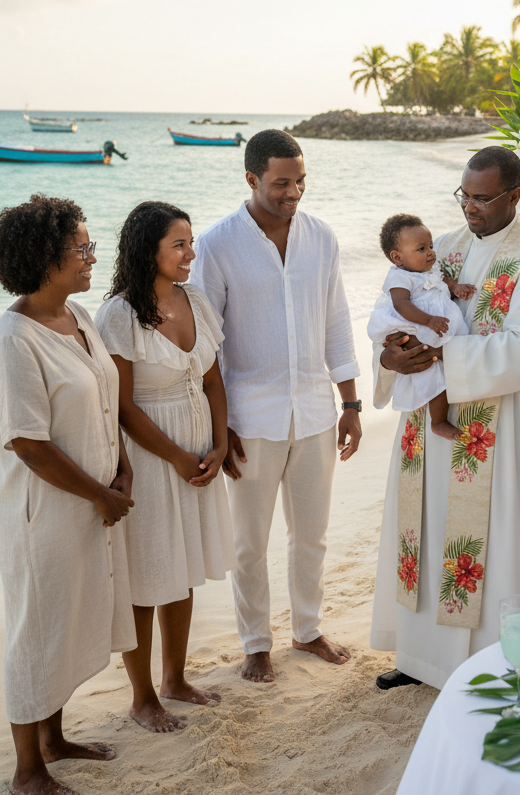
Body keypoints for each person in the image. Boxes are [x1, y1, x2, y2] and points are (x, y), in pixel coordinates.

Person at [370, 146, 520, 691]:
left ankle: (490, 665)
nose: (470, 209)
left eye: (482, 199)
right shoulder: (440, 251)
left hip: (492, 422)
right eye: (465, 196)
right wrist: (390, 357)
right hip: (426, 420)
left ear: (515, 196)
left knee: (490, 547)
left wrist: (438, 359)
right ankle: (420, 659)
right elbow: (388, 310)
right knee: (426, 533)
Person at [192, 128, 361, 685]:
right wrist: (221, 428)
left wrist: (351, 402)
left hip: (315, 411)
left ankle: (308, 630)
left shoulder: (322, 238)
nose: (294, 192)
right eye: (282, 183)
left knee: (310, 533)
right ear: (252, 179)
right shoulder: (216, 245)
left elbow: (336, 321)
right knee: (249, 544)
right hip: (250, 419)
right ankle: (256, 643)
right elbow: (204, 343)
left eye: (301, 181)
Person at [0, 194, 135, 795]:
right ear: (47, 259)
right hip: (40, 512)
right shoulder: (14, 340)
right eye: (82, 249)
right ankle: (27, 770)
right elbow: (27, 443)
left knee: (65, 624)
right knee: (36, 630)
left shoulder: (79, 318)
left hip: (91, 499)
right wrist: (100, 493)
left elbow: (107, 400)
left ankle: (55, 739)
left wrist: (121, 469)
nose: (92, 258)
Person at [95, 201, 235, 733]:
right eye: (179, 244)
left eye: (191, 242)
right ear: (147, 249)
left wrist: (219, 446)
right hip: (155, 459)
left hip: (200, 450)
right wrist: (176, 457)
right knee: (148, 575)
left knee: (183, 567)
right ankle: (142, 695)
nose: (191, 253)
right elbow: (124, 406)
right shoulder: (119, 314)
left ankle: (176, 679)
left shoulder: (195, 299)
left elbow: (214, 380)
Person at [367, 213, 477, 441]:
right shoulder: (399, 278)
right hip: (415, 323)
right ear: (397, 257)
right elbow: (401, 304)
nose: (430, 252)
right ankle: (438, 422)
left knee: (444, 373)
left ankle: (440, 418)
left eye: (430, 245)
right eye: (421, 249)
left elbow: (443, 280)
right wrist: (428, 321)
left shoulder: (429, 269)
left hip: (432, 325)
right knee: (432, 376)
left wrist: (455, 288)